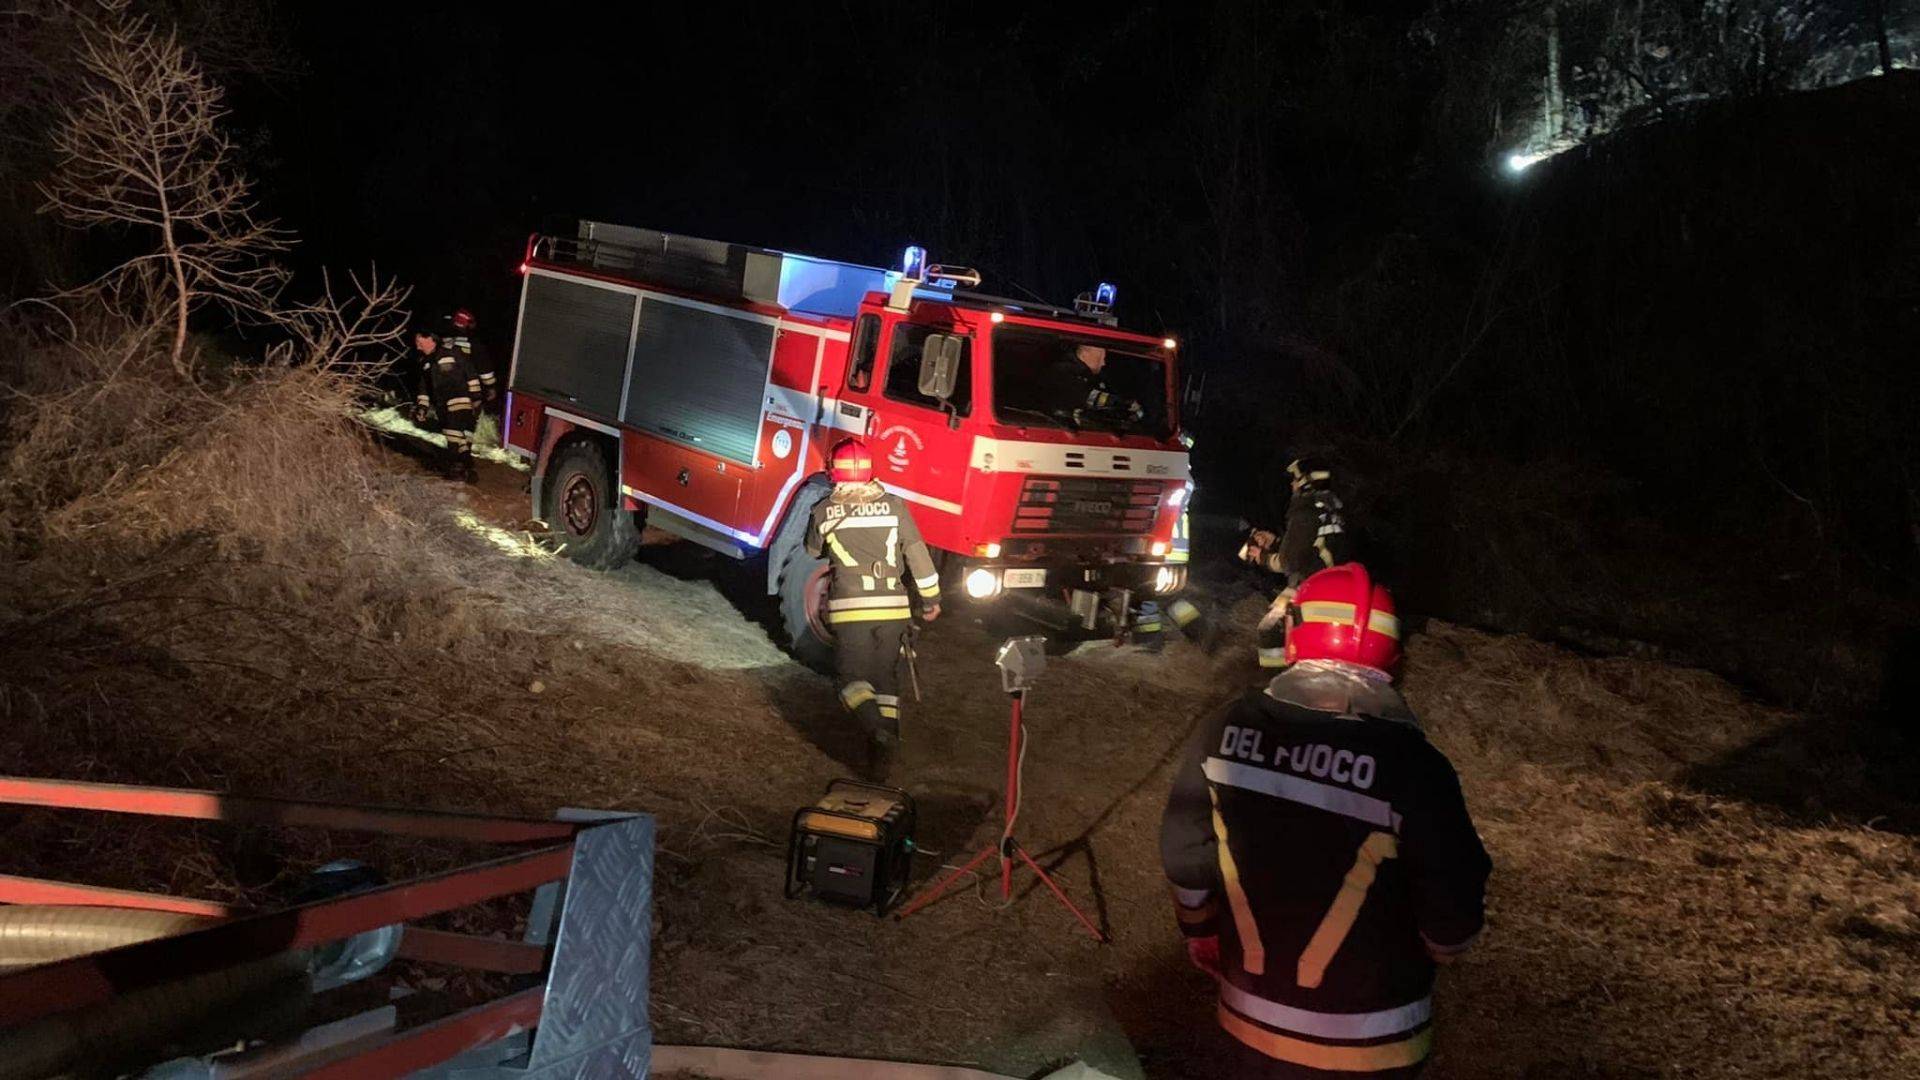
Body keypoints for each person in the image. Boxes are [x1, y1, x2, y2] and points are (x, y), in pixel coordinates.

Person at [1160, 564, 1490, 1078]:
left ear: (1295, 639)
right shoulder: (1415, 765)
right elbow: (1452, 893)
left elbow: (1183, 851)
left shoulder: (1224, 728)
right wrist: (1445, 942)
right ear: (1393, 658)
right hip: (1374, 1040)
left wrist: (1199, 928)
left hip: (1249, 1021)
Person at [805, 438, 942, 780]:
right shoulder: (895, 506)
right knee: (885, 679)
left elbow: (812, 551)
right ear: (869, 473)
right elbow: (917, 553)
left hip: (851, 611)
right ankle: (883, 760)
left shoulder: (823, 511)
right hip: (894, 610)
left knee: (850, 681)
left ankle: (876, 730)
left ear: (833, 473)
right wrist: (931, 599)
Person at [1241, 456, 1355, 668]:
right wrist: (1275, 541)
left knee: (1269, 628)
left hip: (1310, 585)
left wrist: (1261, 556)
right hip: (1329, 582)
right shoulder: (1329, 507)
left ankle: (1273, 681)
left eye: (1294, 479)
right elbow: (1312, 547)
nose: (1291, 484)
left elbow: (1289, 563)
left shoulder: (1305, 510)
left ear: (1306, 481)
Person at [412, 325, 482, 482]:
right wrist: (422, 407)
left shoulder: (453, 352)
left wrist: (476, 397)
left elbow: (470, 373)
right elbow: (424, 388)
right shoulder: (426, 363)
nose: (417, 344)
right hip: (443, 405)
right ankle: (467, 468)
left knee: (453, 434)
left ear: (430, 339)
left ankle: (456, 471)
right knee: (459, 439)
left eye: (419, 340)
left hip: (460, 400)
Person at [1044, 342, 1144, 426]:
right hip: (1055, 426)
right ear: (1084, 355)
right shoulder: (1062, 371)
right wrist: (1123, 402)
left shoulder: (1096, 377)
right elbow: (1087, 396)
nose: (1103, 363)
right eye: (1100, 358)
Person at [443, 308, 498, 404]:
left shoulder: (443, 342)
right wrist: (490, 387)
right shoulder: (474, 344)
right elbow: (484, 368)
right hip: (466, 390)